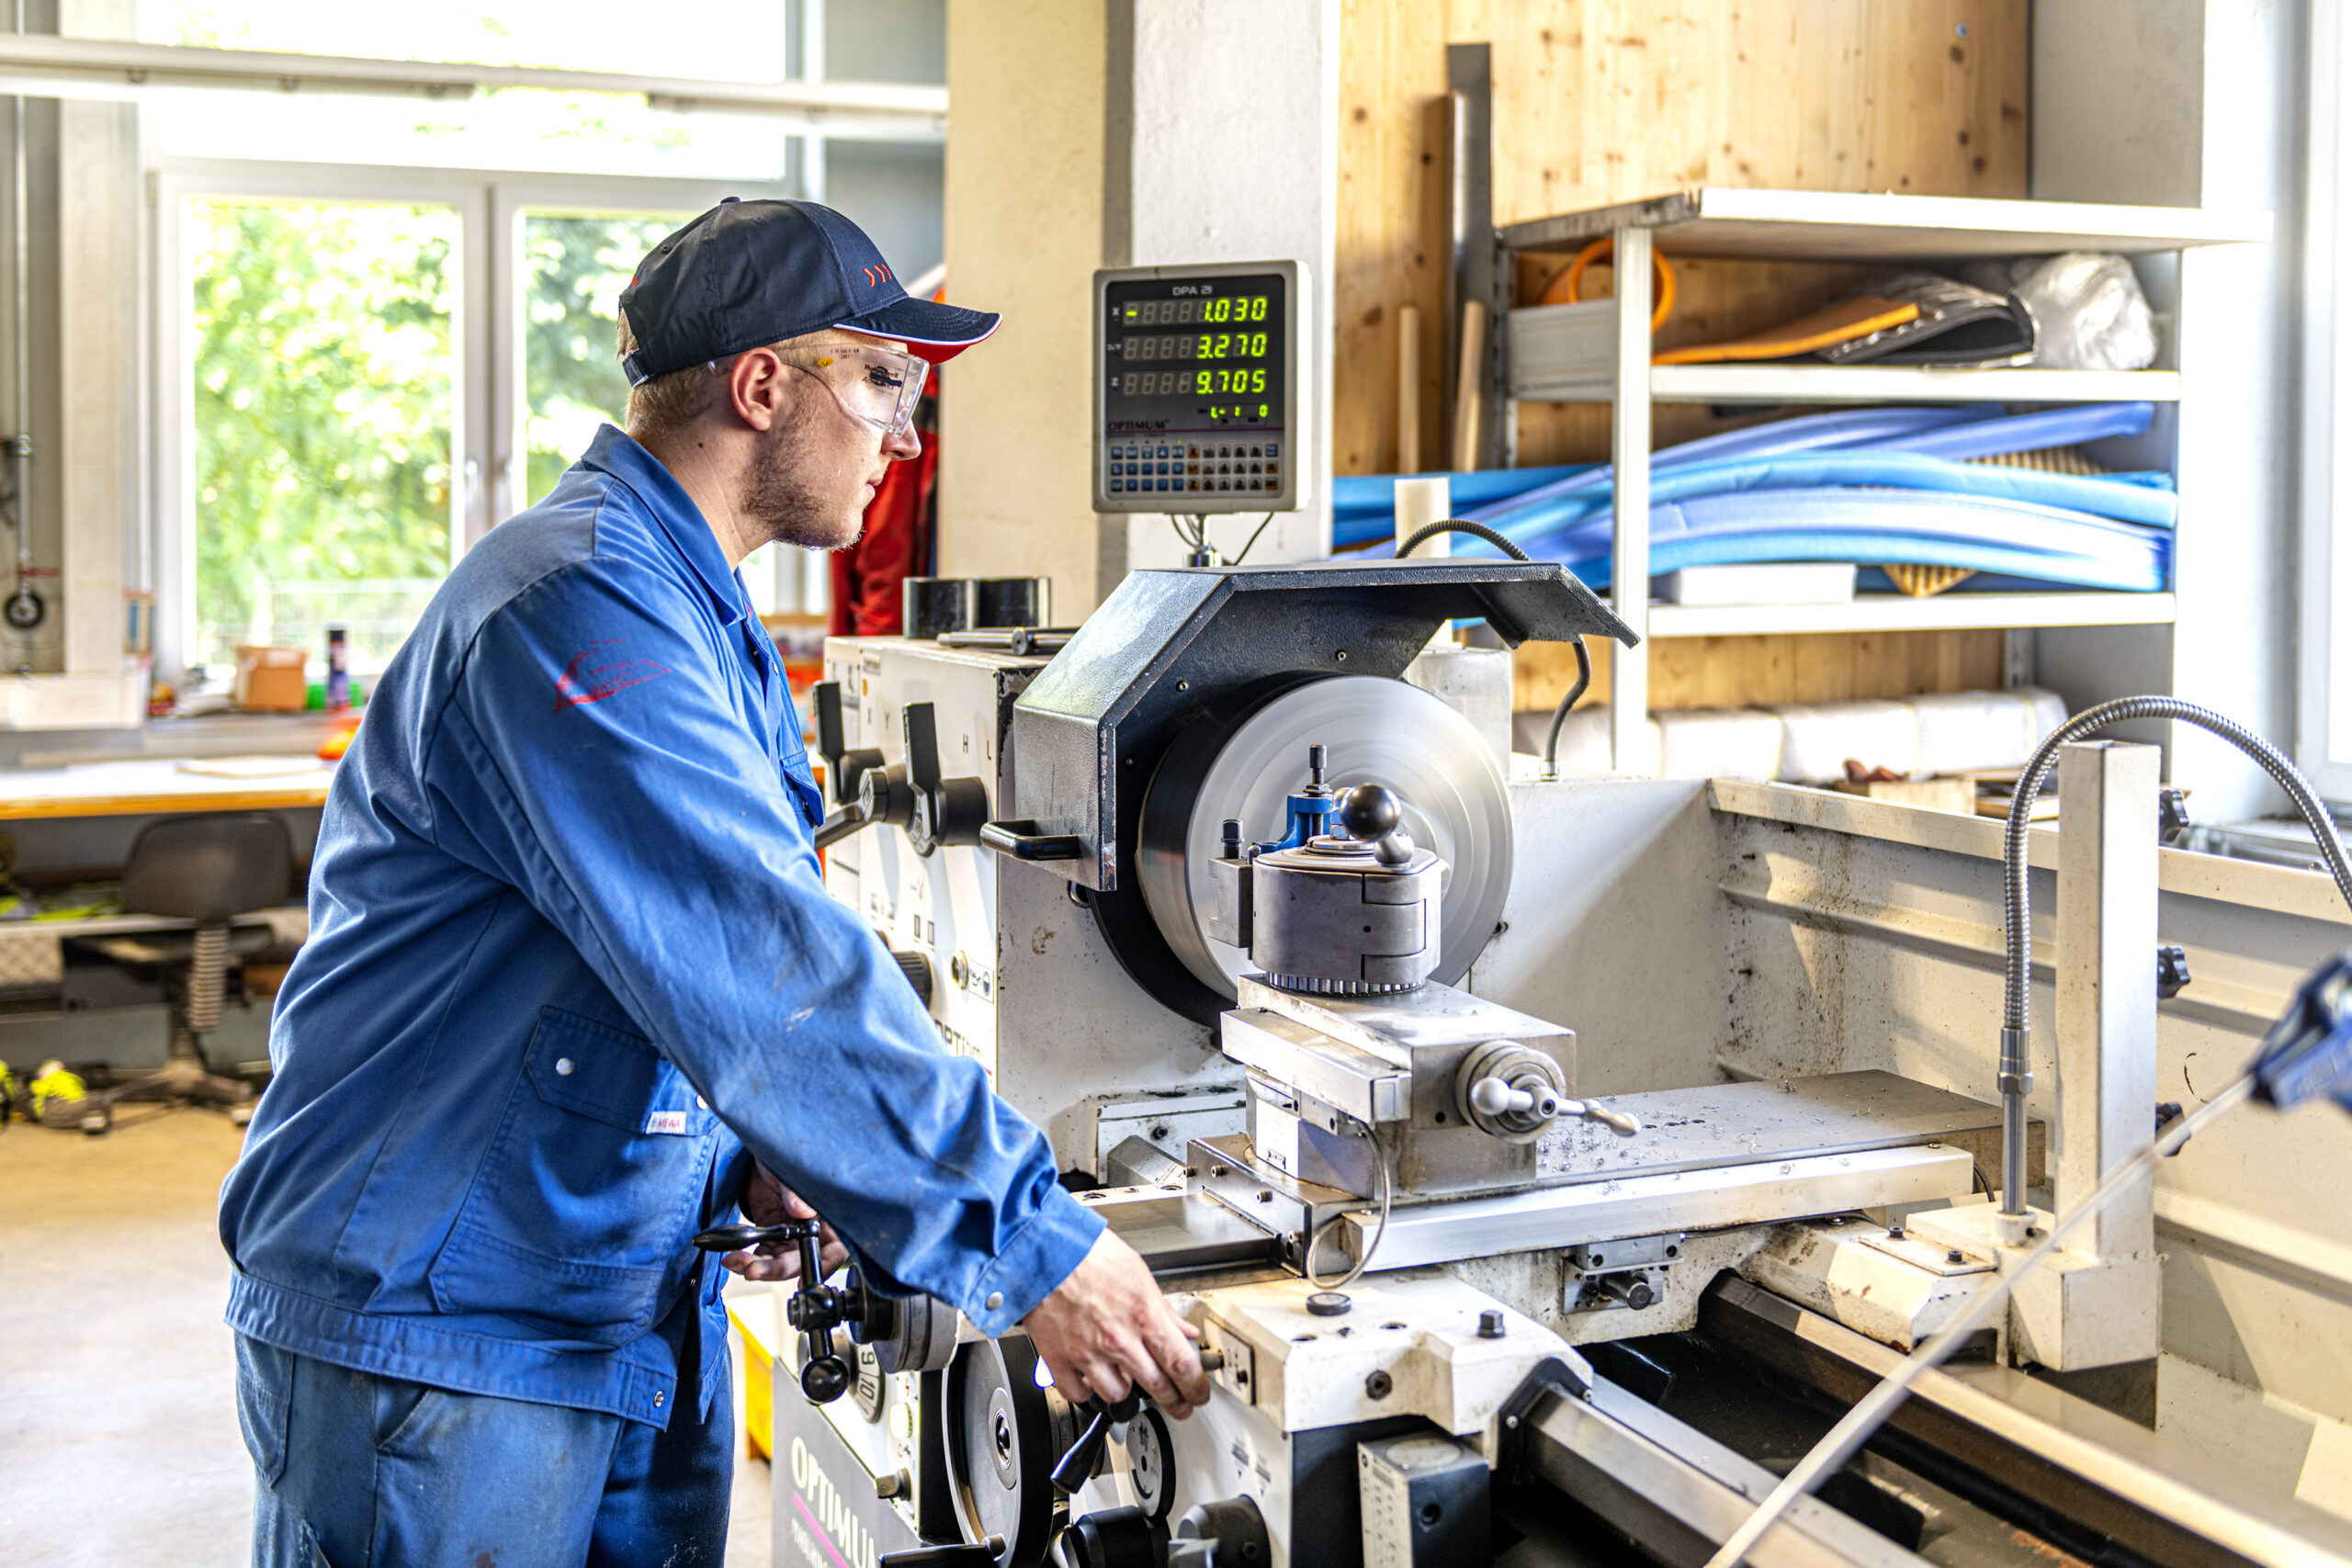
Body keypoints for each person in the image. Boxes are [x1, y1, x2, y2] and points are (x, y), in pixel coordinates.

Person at [217, 198, 1207, 1567]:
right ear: (760, 387)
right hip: (445, 1341)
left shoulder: (692, 606)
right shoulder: (578, 612)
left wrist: (743, 1164)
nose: (902, 432)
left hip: (601, 1295)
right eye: (880, 382)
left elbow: (631, 969)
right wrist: (1030, 1241)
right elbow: (759, 970)